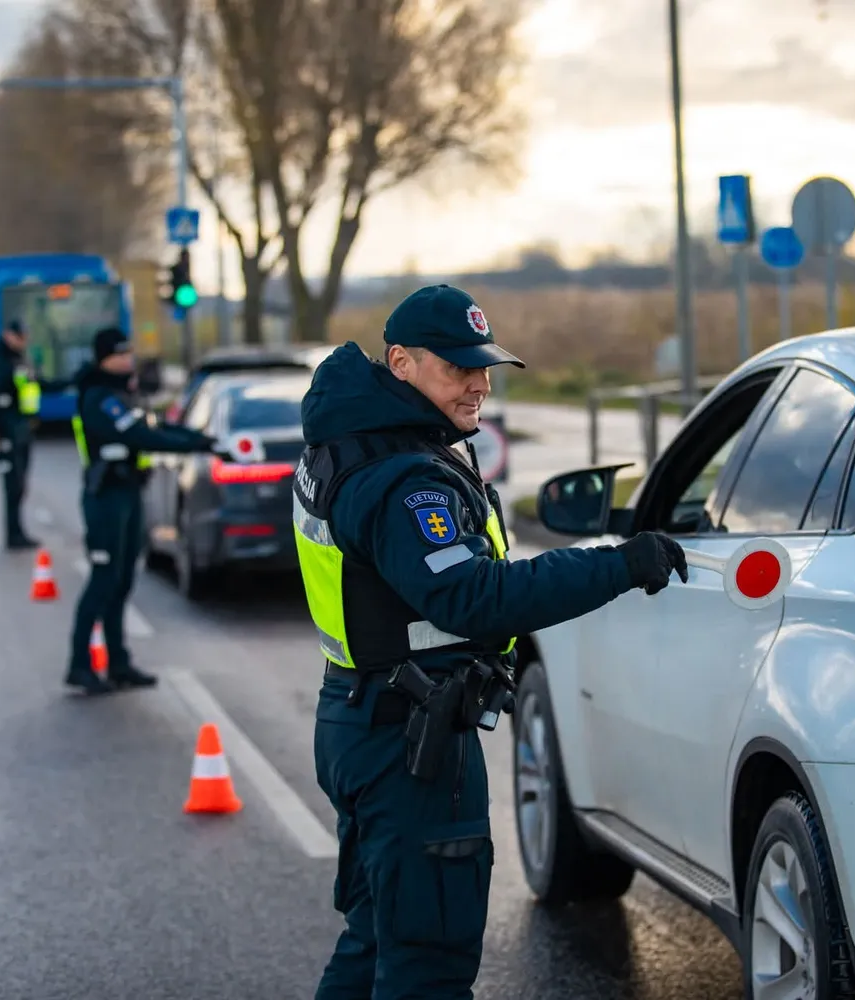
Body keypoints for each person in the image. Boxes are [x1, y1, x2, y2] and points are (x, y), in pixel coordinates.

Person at [294, 284, 688, 1000]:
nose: (478, 385)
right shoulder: (405, 478)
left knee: (378, 939)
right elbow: (471, 595)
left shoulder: (355, 438)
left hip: (361, 720)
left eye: (484, 368)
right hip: (409, 745)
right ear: (402, 363)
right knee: (428, 964)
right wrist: (620, 564)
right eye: (457, 369)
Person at [65, 327, 227, 695]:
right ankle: (79, 664)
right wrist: (195, 447)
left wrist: (202, 441)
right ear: (104, 358)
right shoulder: (100, 397)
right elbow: (141, 436)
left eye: (129, 352)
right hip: (105, 498)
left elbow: (155, 426)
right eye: (120, 354)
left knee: (122, 581)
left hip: (128, 493)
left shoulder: (124, 394)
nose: (127, 359)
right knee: (103, 581)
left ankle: (119, 662)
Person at [0, 320, 58, 549]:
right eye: (19, 336)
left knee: (21, 485)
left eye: (24, 336)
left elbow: (37, 385)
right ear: (7, 335)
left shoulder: (21, 361)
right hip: (7, 433)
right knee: (12, 486)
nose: (23, 340)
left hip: (22, 430)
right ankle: (13, 535)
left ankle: (18, 532)